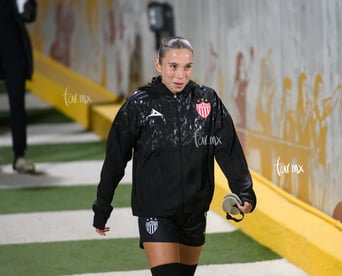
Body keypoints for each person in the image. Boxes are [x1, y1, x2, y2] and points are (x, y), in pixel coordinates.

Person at [92, 36, 256, 276]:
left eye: (187, 67)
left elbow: (228, 149)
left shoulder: (207, 101)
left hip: (194, 213)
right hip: (155, 211)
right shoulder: (139, 105)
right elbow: (115, 161)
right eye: (173, 66)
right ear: (158, 65)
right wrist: (102, 208)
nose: (180, 75)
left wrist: (244, 192)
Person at [0, 0, 37, 173]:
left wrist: (28, 8)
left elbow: (29, 15)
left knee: (17, 102)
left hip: (13, 48)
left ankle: (19, 156)